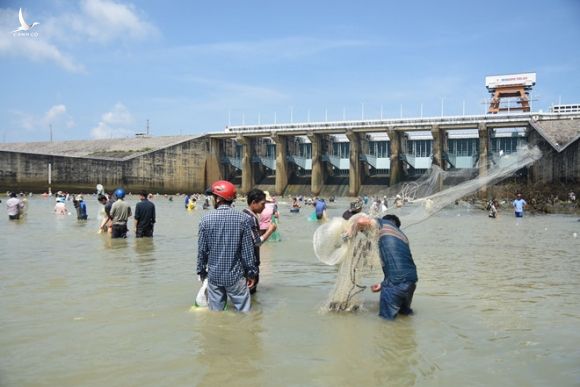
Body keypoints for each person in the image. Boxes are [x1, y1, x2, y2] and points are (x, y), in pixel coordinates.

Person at [197, 180, 258, 312]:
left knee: (216, 315)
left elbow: (202, 251)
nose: (212, 200)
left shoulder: (205, 220)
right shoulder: (244, 219)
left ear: (218, 198)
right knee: (245, 313)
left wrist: (201, 272)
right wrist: (251, 273)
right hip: (236, 277)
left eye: (213, 197)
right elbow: (247, 251)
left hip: (214, 276)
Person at [362, 214, 418, 320]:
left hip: (395, 284)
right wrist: (382, 284)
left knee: (386, 322)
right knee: (404, 316)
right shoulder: (403, 237)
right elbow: (399, 266)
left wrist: (349, 232)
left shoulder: (382, 223)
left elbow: (361, 221)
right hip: (411, 282)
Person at [243, 188, 277, 294]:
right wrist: (270, 231)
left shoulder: (242, 215)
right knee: (250, 295)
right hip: (250, 265)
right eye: (262, 204)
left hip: (243, 264)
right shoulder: (251, 218)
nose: (264, 207)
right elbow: (256, 242)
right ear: (253, 203)